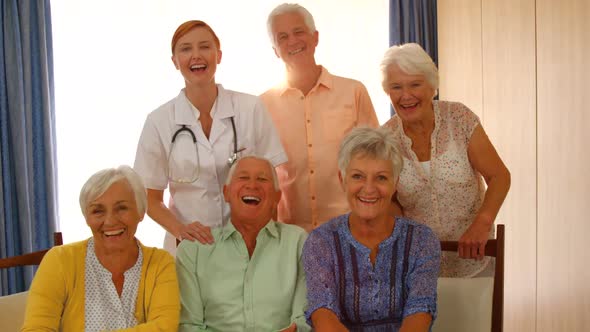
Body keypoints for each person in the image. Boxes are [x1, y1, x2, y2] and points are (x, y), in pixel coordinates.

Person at [134, 20, 287, 254]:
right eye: (185, 49)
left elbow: (272, 183)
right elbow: (150, 199)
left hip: (249, 243)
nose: (196, 55)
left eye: (204, 47)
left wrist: (264, 240)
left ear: (219, 55)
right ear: (175, 61)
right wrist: (180, 230)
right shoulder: (159, 121)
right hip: (189, 248)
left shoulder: (250, 108)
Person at [380, 43, 511, 277]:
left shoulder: (459, 118)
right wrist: (403, 234)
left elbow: (499, 176)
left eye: (415, 85)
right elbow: (389, 199)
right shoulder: (385, 138)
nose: (406, 95)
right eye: (396, 87)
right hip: (419, 267)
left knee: (475, 315)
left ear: (432, 86)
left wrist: (482, 223)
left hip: (474, 259)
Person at [303, 127, 440, 331]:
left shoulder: (422, 240)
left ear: (396, 183)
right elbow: (323, 314)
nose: (369, 188)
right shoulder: (320, 241)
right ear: (343, 181)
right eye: (358, 176)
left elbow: (420, 311)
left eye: (381, 177)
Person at [261, 3, 379, 232]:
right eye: (282, 37)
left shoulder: (354, 92)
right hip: (290, 238)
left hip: (349, 231)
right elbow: (262, 176)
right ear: (275, 50)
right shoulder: (263, 105)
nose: (292, 41)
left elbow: (376, 161)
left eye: (298, 32)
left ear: (315, 38)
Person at [21, 166, 180, 331]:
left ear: (141, 212)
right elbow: (36, 328)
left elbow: (165, 327)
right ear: (87, 218)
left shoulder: (161, 263)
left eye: (122, 208)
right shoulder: (59, 260)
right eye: (98, 211)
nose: (110, 221)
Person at [176, 156, 310, 331]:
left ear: (277, 196)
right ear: (226, 193)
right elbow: (188, 326)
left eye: (262, 179)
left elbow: (302, 321)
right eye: (243, 177)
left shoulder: (297, 242)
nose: (252, 185)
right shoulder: (194, 250)